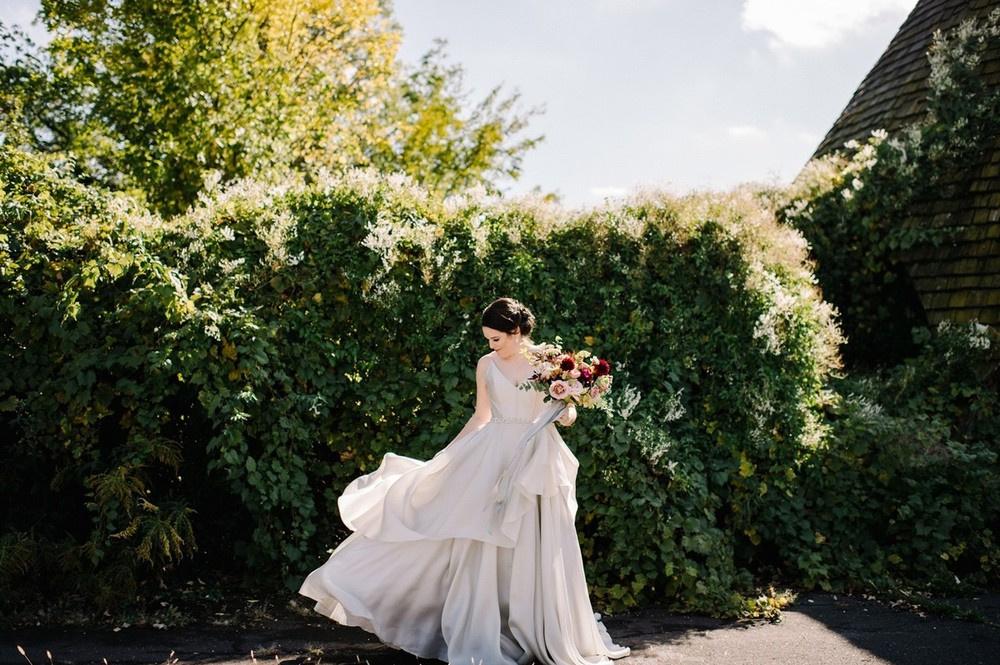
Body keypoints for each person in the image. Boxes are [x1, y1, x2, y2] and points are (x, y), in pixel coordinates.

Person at [298, 297, 632, 665]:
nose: (491, 346)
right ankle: (488, 624)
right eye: (488, 339)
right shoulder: (486, 365)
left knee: (538, 537)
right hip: (492, 454)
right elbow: (481, 416)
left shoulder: (548, 364)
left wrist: (566, 405)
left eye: (497, 339)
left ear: (517, 332)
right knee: (480, 537)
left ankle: (538, 623)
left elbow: (565, 413)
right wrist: (448, 454)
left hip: (537, 456)